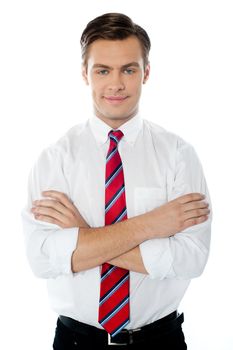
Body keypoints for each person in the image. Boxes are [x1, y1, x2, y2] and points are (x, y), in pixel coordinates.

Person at [22, 12, 212, 349]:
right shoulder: (55, 160)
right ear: (85, 74)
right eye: (102, 70)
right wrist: (154, 223)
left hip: (160, 340)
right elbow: (44, 260)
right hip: (77, 341)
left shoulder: (179, 155)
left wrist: (84, 239)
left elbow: (191, 258)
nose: (116, 84)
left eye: (128, 69)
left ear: (146, 73)